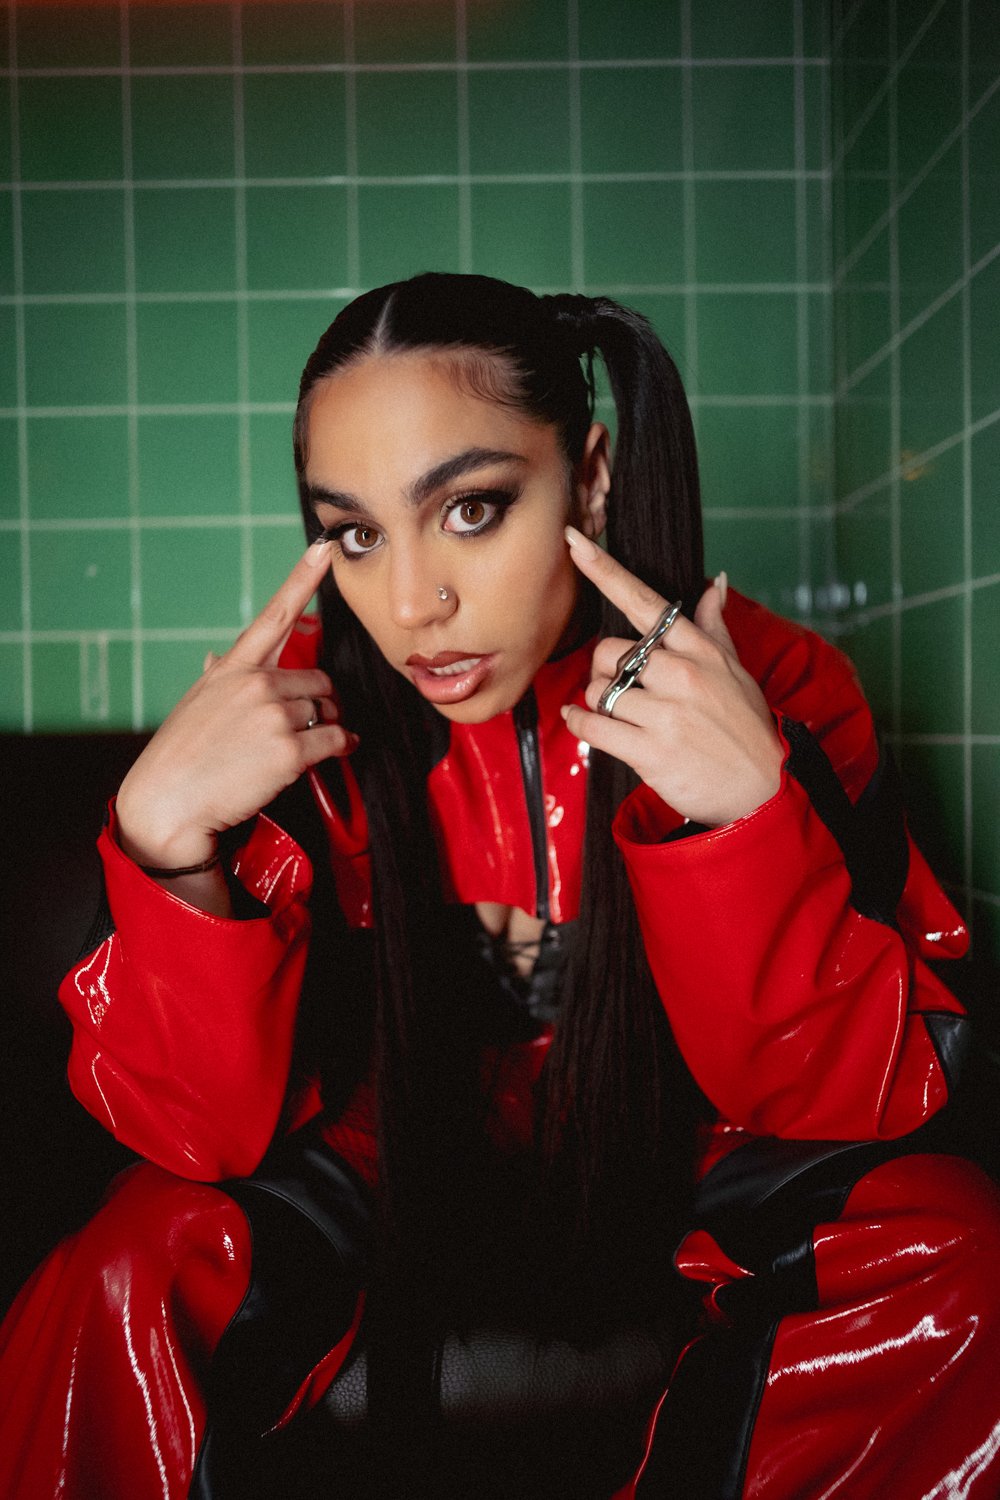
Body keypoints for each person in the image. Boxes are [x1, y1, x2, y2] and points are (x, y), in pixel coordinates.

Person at [1, 273, 998, 1499]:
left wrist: (743, 814)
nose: (411, 604)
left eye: (470, 510)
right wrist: (167, 846)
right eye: (355, 534)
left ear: (588, 474)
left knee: (960, 1250)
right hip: (396, 1149)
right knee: (122, 1263)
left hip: (690, 1144)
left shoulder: (771, 684)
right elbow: (200, 1138)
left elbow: (866, 1093)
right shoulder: (299, 719)